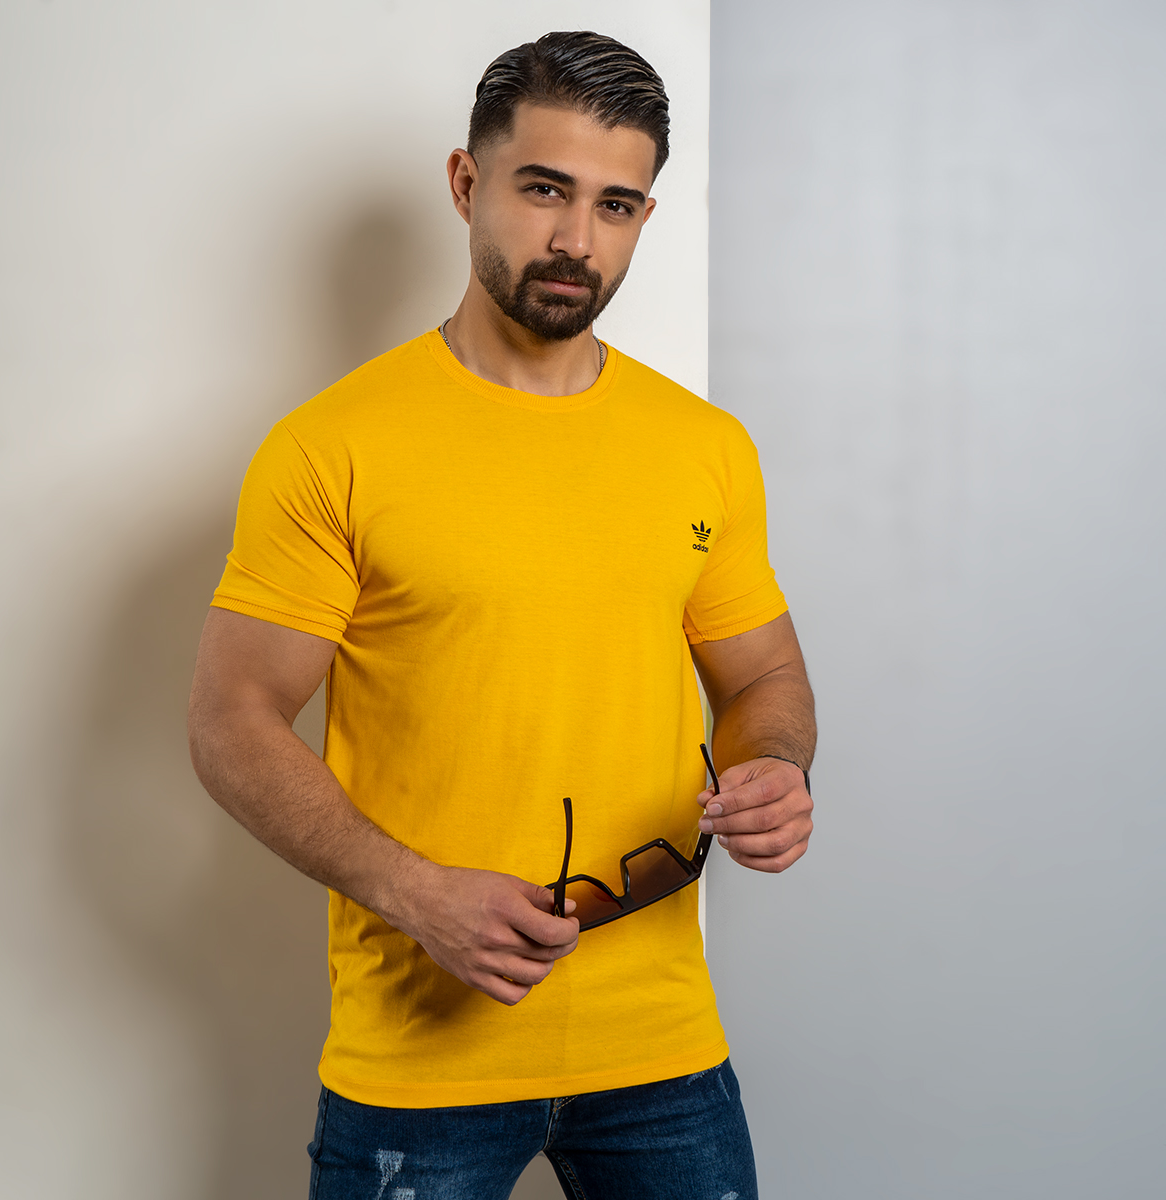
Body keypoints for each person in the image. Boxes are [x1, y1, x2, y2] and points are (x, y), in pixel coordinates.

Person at [188, 29, 815, 1200]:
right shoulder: (332, 447)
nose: (578, 238)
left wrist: (775, 765)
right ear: (467, 182)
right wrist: (414, 891)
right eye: (544, 189)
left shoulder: (705, 449)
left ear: (645, 217)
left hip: (663, 1050)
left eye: (616, 205)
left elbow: (764, 678)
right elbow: (232, 721)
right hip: (418, 1064)